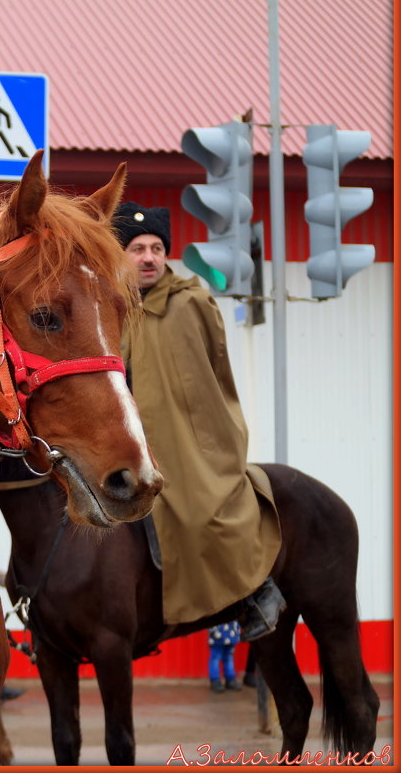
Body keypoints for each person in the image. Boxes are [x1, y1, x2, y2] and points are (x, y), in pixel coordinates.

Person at [113, 202, 285, 640]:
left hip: (188, 438)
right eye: (137, 249)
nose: (148, 257)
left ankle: (254, 589)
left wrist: (203, 437)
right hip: (126, 441)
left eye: (156, 248)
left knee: (203, 512)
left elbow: (214, 377)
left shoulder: (190, 302)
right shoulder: (111, 308)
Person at [207, 620, 242, 692]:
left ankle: (230, 680)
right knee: (215, 658)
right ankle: (215, 680)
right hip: (218, 632)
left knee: (229, 657)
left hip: (232, 631)